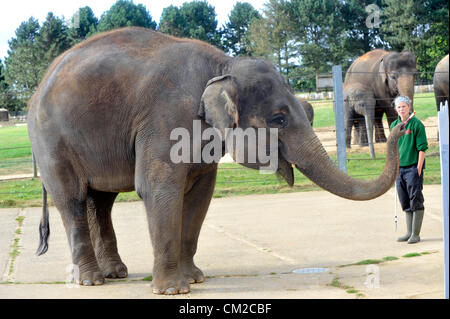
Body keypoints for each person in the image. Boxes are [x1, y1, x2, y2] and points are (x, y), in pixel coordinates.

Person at [390, 96, 428, 244]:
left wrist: (418, 168)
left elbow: (422, 148)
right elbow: (392, 147)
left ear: (409, 107)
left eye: (404, 106)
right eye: (399, 107)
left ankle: (416, 234)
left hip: (413, 167)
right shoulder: (394, 124)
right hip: (399, 170)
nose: (401, 109)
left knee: (415, 199)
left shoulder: (416, 124)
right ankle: (408, 232)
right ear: (396, 109)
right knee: (404, 200)